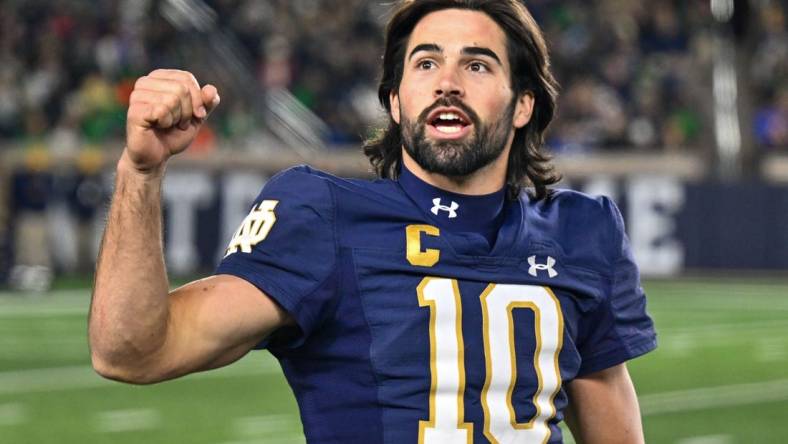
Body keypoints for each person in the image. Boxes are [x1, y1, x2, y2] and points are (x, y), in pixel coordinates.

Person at [89, 1, 656, 442]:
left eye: (477, 65)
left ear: (523, 104)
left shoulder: (584, 231)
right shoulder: (324, 216)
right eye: (426, 62)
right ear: (395, 100)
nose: (448, 81)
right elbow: (130, 352)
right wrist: (141, 172)